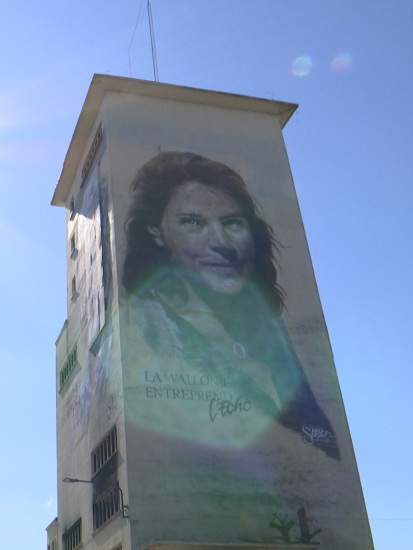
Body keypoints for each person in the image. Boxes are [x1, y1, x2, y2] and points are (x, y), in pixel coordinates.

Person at [124, 151, 339, 459]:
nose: (221, 242)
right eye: (193, 223)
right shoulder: (144, 327)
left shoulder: (269, 330)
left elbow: (321, 442)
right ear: (156, 234)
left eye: (232, 223)